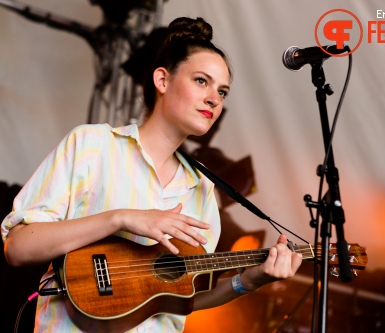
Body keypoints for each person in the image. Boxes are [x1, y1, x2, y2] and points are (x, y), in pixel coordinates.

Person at [1, 17, 303, 332]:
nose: (215, 98)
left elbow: (182, 297)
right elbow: (19, 248)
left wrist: (249, 281)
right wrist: (121, 218)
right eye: (202, 81)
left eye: (223, 91)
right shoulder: (93, 145)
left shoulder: (200, 190)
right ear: (162, 80)